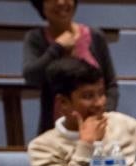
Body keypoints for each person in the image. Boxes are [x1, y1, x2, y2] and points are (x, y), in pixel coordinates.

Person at [23, 0, 119, 134]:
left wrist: (102, 115)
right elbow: (31, 77)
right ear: (41, 5)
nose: (61, 2)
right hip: (56, 132)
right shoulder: (35, 38)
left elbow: (111, 85)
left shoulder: (95, 36)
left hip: (99, 129)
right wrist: (56, 48)